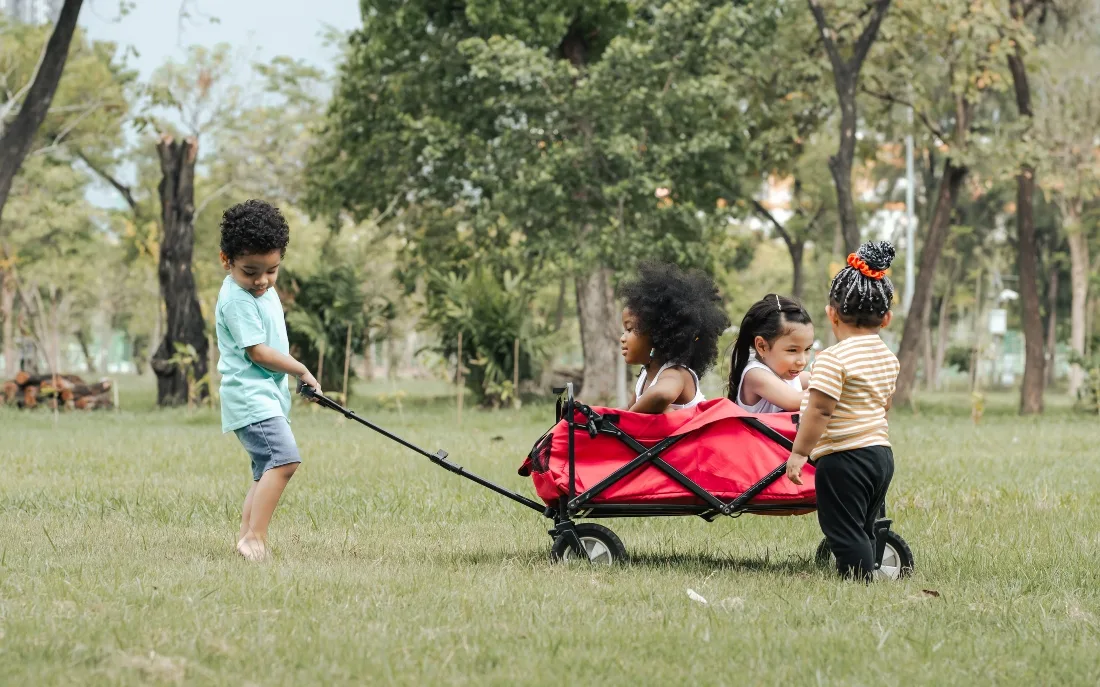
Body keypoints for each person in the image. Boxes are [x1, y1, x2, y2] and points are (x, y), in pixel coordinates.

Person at [785, 241, 900, 581]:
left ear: (831, 314)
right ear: (887, 318)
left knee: (842, 527)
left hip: (843, 459)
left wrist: (799, 453)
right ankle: (868, 564)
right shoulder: (887, 357)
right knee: (863, 524)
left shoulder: (833, 359)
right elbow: (885, 404)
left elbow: (819, 411)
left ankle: (858, 580)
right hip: (880, 454)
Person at [216, 200, 321, 562]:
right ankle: (254, 538)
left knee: (266, 471)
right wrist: (301, 369)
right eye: (250, 271)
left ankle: (248, 538)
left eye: (271, 270)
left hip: (266, 395)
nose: (261, 280)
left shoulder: (261, 290)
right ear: (225, 260)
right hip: (249, 396)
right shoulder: (237, 300)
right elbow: (258, 352)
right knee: (285, 460)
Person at [618, 262, 731, 413]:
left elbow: (663, 394)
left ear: (656, 334)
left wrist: (630, 418)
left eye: (629, 329)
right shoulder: (646, 375)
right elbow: (624, 411)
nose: (622, 338)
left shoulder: (675, 373)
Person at [727, 295, 814, 414]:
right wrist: (833, 385)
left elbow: (819, 380)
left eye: (807, 349)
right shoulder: (755, 374)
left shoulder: (787, 374)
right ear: (762, 346)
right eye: (792, 350)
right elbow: (794, 401)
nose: (802, 361)